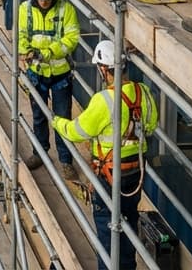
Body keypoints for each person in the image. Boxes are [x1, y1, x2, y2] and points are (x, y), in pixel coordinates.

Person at [52, 39, 158, 270]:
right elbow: (150, 126)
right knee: (128, 223)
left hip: (109, 176)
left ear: (103, 69)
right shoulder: (144, 92)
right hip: (136, 172)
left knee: (108, 232)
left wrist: (58, 121)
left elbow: (78, 132)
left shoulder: (104, 100)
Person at [19, 0, 80, 177]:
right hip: (36, 73)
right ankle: (39, 153)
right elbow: (21, 35)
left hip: (60, 74)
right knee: (38, 117)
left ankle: (66, 160)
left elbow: (71, 39)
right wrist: (24, 50)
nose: (44, 3)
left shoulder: (66, 10)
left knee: (62, 119)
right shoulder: (25, 10)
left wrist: (48, 52)